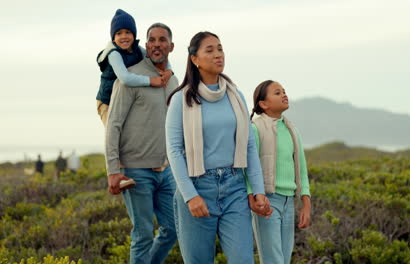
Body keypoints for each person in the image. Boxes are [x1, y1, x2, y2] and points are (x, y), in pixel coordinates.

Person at [165, 31, 272, 264]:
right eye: (210, 50)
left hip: (234, 188)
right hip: (197, 186)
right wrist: (190, 196)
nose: (218, 55)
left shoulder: (236, 96)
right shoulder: (180, 100)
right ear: (195, 59)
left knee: (243, 260)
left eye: (220, 49)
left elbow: (249, 145)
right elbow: (173, 150)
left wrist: (258, 190)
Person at [105, 22, 178, 264]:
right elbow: (113, 124)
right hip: (136, 171)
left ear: (171, 46)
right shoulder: (130, 78)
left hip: (166, 170)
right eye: (152, 40)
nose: (157, 44)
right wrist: (113, 170)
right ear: (146, 45)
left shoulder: (174, 81)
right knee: (143, 234)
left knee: (173, 228)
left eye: (162, 40)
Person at [248, 80, 312, 264]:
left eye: (284, 91)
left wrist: (306, 203)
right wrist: (252, 196)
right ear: (263, 104)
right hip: (268, 200)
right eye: (277, 93)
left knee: (284, 259)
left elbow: (301, 168)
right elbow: (248, 168)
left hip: (288, 201)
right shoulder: (255, 128)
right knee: (273, 260)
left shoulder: (292, 129)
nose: (284, 94)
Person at [96, 9, 172, 126]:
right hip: (107, 101)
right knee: (113, 130)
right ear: (113, 37)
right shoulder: (113, 54)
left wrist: (169, 71)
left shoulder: (138, 50)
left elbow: (154, 57)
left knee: (130, 131)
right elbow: (125, 78)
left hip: (124, 99)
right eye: (119, 33)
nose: (124, 36)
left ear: (134, 34)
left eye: (128, 32)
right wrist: (151, 81)